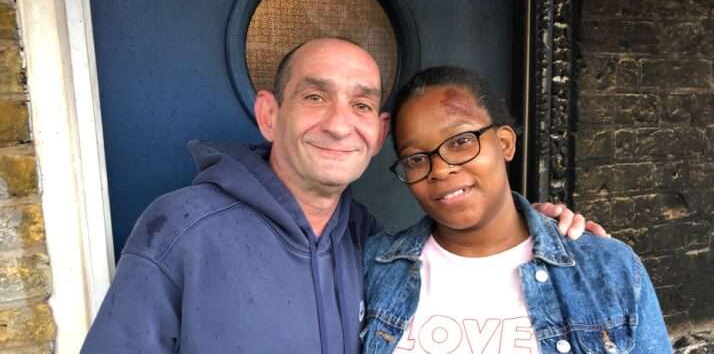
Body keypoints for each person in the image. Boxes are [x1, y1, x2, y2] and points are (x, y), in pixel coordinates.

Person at [81, 39, 601, 353]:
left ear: (377, 133)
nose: (337, 124)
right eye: (314, 96)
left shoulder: (373, 245)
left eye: (359, 105)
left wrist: (538, 225)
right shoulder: (181, 229)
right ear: (269, 114)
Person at [361, 66, 671, 353]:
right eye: (416, 158)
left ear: (505, 143)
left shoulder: (607, 268)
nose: (440, 170)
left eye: (461, 141)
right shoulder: (371, 269)